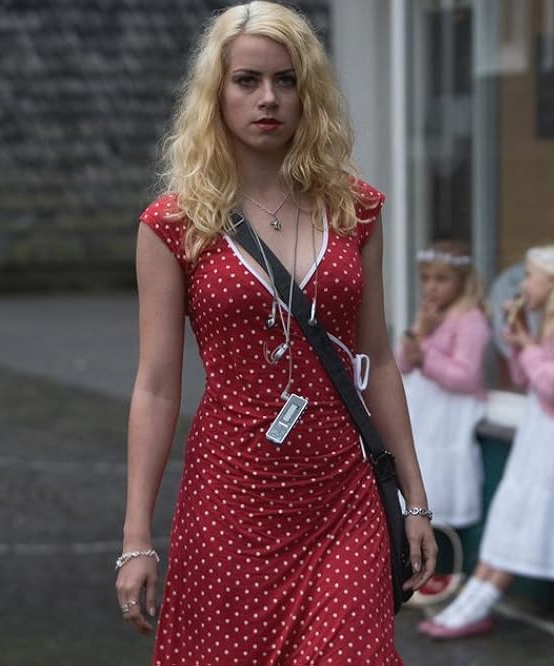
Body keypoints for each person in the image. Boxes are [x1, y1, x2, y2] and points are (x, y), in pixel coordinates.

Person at [113, 3, 436, 663]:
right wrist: (136, 538)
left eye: (286, 80)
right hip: (229, 501)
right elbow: (156, 387)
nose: (269, 98)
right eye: (248, 80)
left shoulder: (354, 208)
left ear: (308, 93)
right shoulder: (174, 224)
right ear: (217, 93)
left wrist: (416, 501)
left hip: (343, 498)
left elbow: (377, 360)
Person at [417, 242, 554, 639]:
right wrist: (521, 340)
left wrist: (527, 346)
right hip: (542, 427)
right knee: (511, 514)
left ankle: (479, 604)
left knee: (526, 519)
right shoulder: (553, 322)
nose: (523, 284)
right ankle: (469, 601)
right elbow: (526, 380)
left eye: (530, 276)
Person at [395, 241, 491, 603]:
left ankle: (446, 570)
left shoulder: (471, 320)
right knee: (421, 478)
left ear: (462, 280)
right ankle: (419, 567)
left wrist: (426, 360)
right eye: (426, 279)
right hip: (426, 414)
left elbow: (466, 376)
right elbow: (400, 364)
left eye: (441, 279)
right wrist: (420, 329)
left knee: (442, 484)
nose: (431, 287)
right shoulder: (432, 315)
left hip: (450, 416)